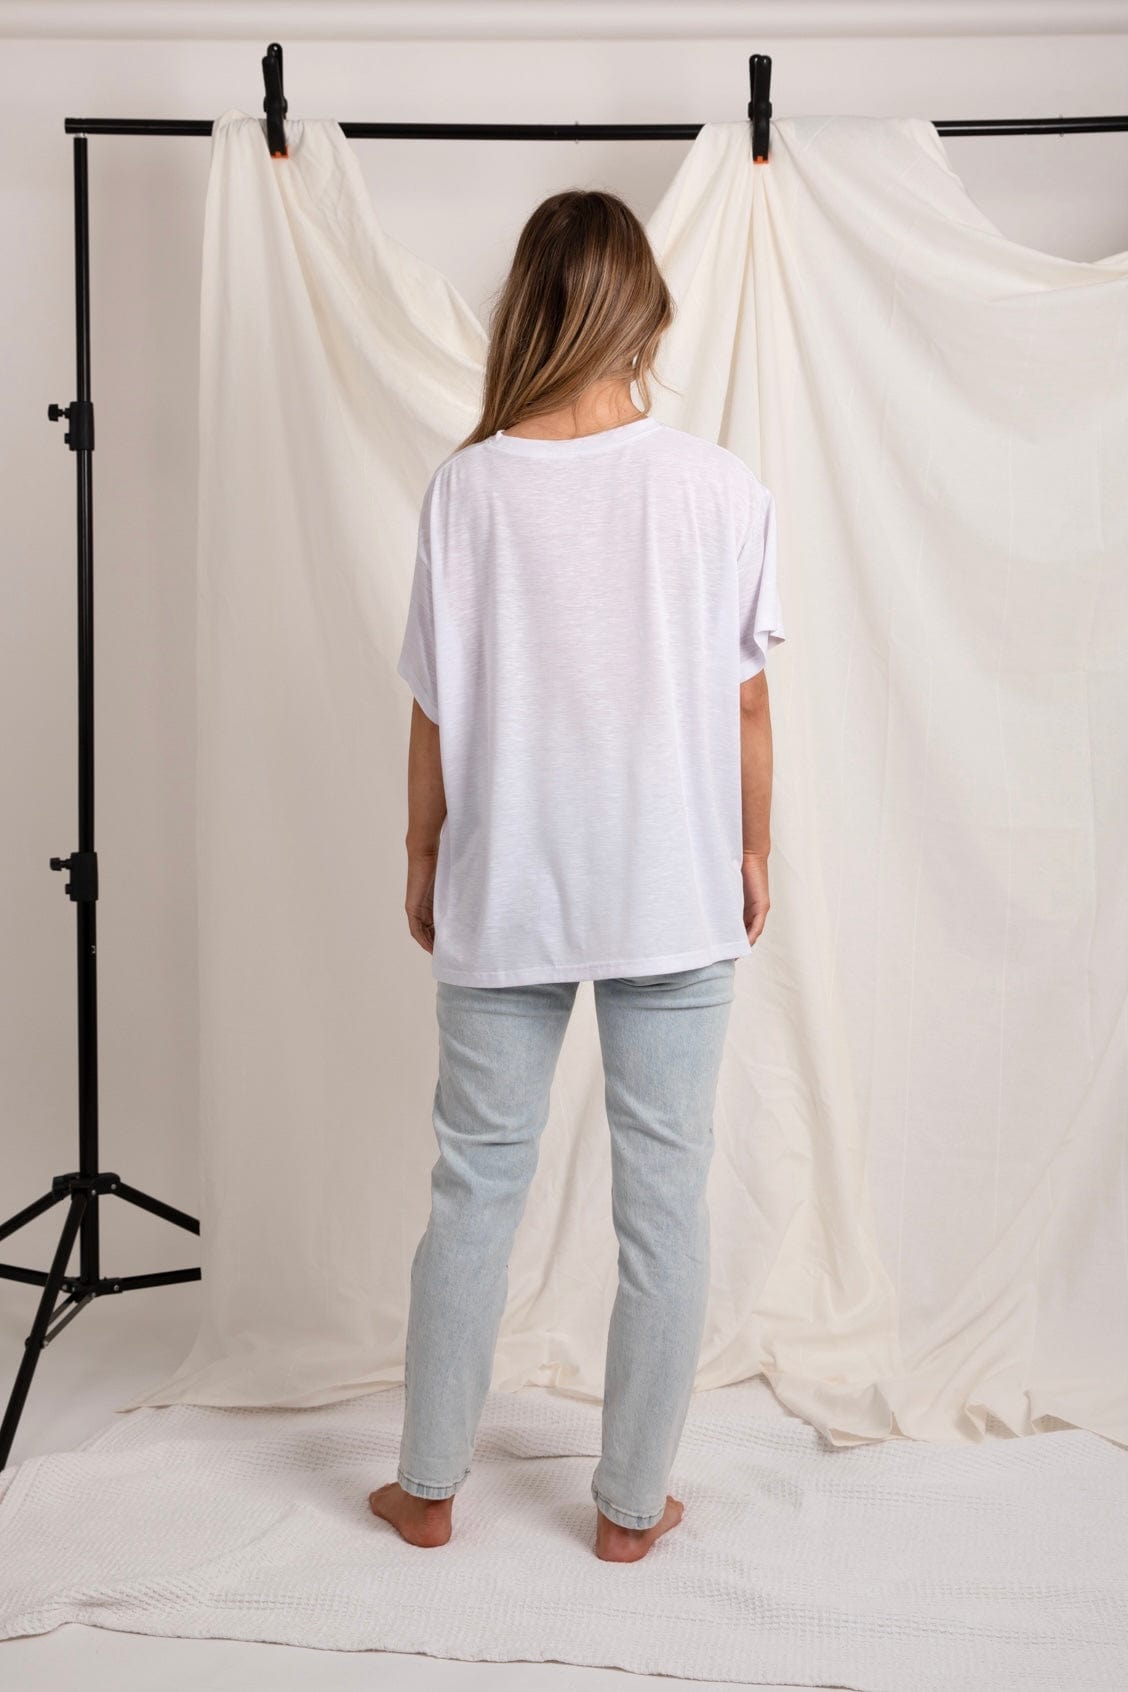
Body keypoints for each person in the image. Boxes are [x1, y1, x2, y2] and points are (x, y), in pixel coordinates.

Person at [369, 188, 785, 1563]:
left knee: (474, 1190)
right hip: (674, 886)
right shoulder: (718, 487)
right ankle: (628, 1512)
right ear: (642, 313)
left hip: (509, 886)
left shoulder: (467, 489)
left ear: (529, 310)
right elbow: (746, 704)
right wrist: (752, 850)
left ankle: (429, 1490)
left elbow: (435, 708)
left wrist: (423, 852)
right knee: (664, 1205)